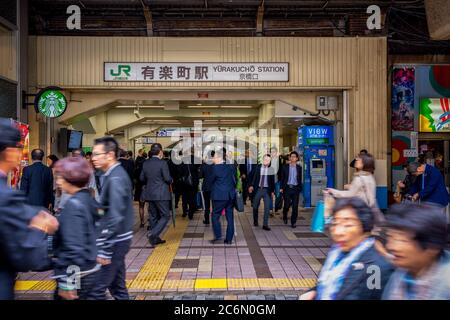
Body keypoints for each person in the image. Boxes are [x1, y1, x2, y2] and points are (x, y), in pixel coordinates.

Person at [0, 119, 58, 300]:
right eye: (19, 147)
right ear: (10, 152)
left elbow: (23, 188)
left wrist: (22, 206)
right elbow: (25, 253)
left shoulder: (25, 174)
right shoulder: (6, 197)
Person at [300, 197, 394, 300]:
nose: (338, 232)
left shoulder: (376, 267)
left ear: (364, 227)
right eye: (335, 224)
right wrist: (313, 292)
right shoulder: (336, 253)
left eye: (348, 225)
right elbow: (328, 283)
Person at [90, 137, 134, 300]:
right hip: (120, 239)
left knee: (97, 290)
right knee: (118, 288)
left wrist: (105, 250)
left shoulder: (115, 178)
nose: (93, 158)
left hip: (115, 242)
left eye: (96, 154)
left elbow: (115, 215)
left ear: (109, 155)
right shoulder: (112, 174)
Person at [52, 157, 99, 300]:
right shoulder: (88, 199)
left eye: (60, 177)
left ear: (70, 178)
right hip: (91, 270)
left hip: (79, 275)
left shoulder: (73, 206)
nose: (58, 181)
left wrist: (68, 284)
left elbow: (74, 248)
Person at [383, 203, 450, 300]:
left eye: (403, 240)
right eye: (391, 237)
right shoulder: (400, 273)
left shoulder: (446, 285)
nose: (391, 247)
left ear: (432, 247)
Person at [140, 143, 172, 246]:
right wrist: (171, 180)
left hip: (150, 193)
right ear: (160, 152)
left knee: (153, 215)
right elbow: (167, 179)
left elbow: (141, 178)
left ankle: (155, 239)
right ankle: (153, 234)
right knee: (165, 215)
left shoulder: (146, 163)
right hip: (161, 194)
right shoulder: (162, 163)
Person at [210, 148, 237, 245]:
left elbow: (210, 181)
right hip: (230, 196)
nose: (212, 159)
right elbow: (235, 180)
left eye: (213, 157)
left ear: (218, 157)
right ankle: (229, 239)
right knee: (230, 218)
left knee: (215, 215)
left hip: (219, 196)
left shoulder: (215, 168)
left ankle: (218, 237)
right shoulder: (231, 166)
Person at [249, 154, 275, 231]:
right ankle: (255, 221)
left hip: (267, 190)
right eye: (265, 159)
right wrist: (250, 185)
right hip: (258, 189)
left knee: (267, 208)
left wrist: (272, 191)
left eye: (268, 160)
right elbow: (250, 176)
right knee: (255, 206)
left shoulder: (271, 169)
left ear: (270, 161)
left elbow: (272, 181)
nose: (266, 161)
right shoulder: (257, 167)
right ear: (262, 159)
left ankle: (265, 224)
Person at [280, 151, 302, 228]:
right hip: (287, 188)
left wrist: (299, 188)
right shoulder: (285, 167)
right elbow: (282, 178)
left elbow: (300, 178)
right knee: (287, 205)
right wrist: (281, 188)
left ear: (296, 158)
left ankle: (293, 222)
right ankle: (285, 215)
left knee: (295, 206)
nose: (292, 158)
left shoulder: (299, 168)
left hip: (295, 189)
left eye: (294, 157)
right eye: (291, 156)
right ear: (289, 158)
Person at [179, 152, 201, 220]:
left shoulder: (182, 160)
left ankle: (184, 212)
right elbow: (199, 169)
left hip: (184, 182)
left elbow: (179, 171)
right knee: (192, 198)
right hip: (193, 182)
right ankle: (191, 214)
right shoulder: (196, 159)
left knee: (184, 197)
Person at [200, 150, 215, 225]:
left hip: (206, 187)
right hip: (215, 187)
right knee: (215, 204)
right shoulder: (216, 164)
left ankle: (207, 220)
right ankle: (215, 220)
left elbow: (201, 175)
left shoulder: (204, 164)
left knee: (206, 204)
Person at [133, 149, 147, 227]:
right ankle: (150, 222)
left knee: (141, 205)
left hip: (138, 186)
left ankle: (142, 222)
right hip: (146, 186)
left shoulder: (136, 162)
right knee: (149, 205)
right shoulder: (146, 163)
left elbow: (134, 174)